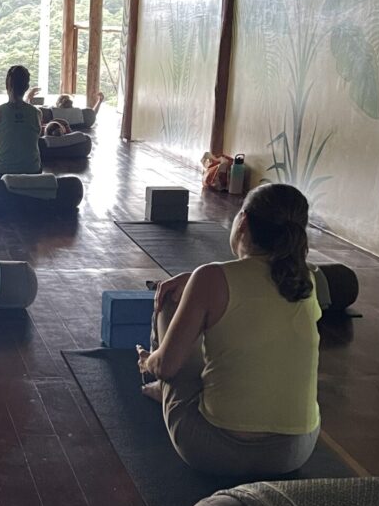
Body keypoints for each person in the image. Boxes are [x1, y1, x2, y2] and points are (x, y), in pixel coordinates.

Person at [136, 184, 321, 477]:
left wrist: (149, 362)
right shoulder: (307, 279)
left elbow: (166, 366)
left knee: (171, 300)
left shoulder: (211, 277)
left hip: (214, 451)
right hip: (294, 452)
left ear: (243, 221)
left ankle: (165, 392)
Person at [0, 66, 42, 177]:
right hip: (33, 170)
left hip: (0, 171)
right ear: (26, 87)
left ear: (7, 86)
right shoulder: (37, 113)